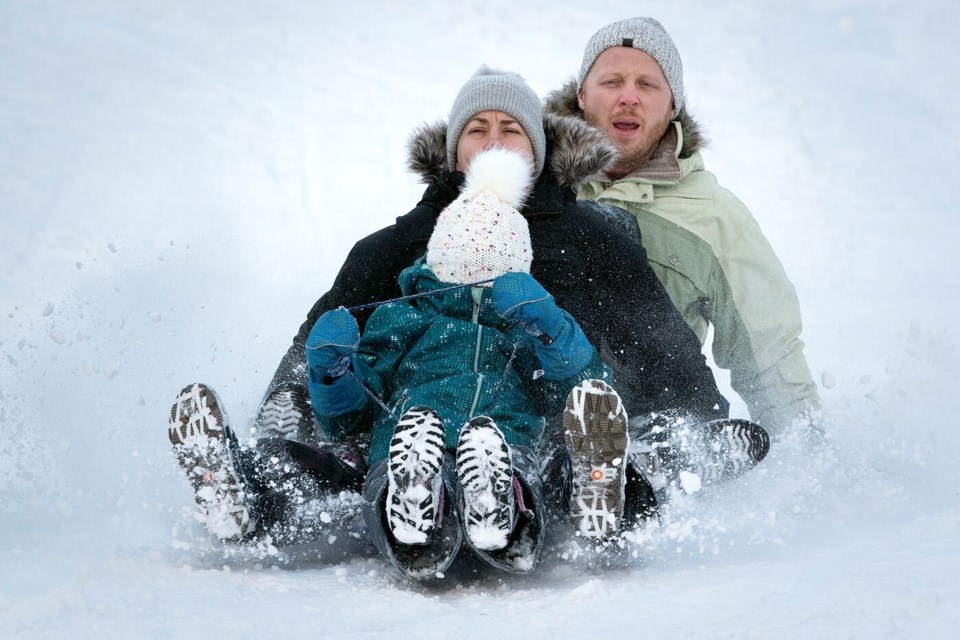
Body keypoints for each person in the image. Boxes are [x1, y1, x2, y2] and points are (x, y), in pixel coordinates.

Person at [167, 66, 767, 562]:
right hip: (404, 425)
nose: (496, 140)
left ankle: (622, 487)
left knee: (605, 441)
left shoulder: (592, 239)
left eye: (512, 128)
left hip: (548, 418)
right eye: (478, 129)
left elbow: (658, 343)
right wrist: (294, 408)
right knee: (329, 464)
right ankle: (253, 493)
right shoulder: (393, 250)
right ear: (454, 149)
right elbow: (318, 360)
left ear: (537, 147)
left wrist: (696, 421)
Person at [305, 147, 615, 578]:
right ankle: (416, 499)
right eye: (461, 264)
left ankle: (496, 500)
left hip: (506, 443)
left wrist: (550, 329)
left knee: (517, 468)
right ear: (435, 264)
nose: (474, 278)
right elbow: (351, 417)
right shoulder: (402, 317)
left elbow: (577, 392)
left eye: (489, 270)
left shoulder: (522, 325)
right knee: (385, 478)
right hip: (405, 441)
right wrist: (333, 372)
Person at [544, 17, 821, 436]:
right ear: (582, 95)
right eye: (612, 81)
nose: (629, 98)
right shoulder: (530, 186)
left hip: (652, 429)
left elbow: (769, 356)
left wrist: (810, 461)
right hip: (533, 430)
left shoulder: (715, 218)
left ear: (673, 104)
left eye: (648, 85)